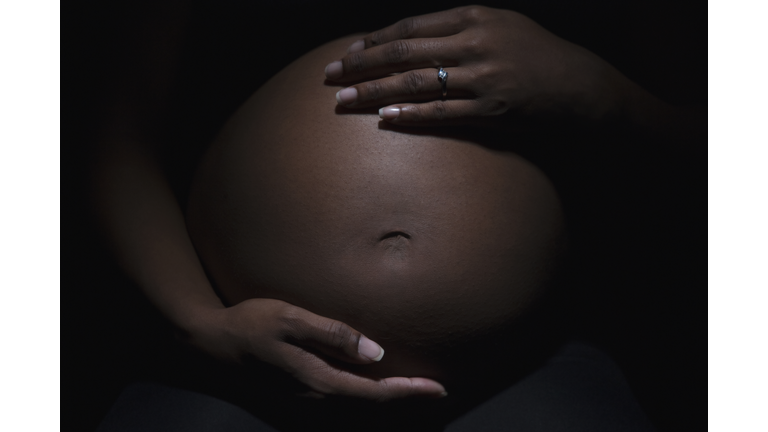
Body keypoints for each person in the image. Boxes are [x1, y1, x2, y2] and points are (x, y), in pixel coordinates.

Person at [91, 5, 703, 431]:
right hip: (235, 357)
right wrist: (199, 325)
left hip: (527, 361)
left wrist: (597, 90)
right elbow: (105, 130)